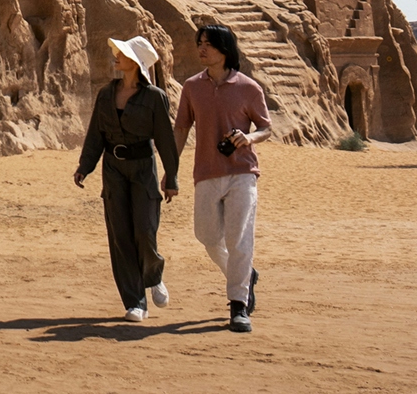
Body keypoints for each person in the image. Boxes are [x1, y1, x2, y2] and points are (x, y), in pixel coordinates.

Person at [72, 35, 179, 322]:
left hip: (143, 168)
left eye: (123, 53)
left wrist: (171, 178)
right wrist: (85, 166)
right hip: (113, 169)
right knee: (120, 235)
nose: (116, 56)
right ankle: (135, 303)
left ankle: (153, 275)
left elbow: (165, 140)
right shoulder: (106, 94)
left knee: (144, 230)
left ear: (137, 62)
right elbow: (95, 133)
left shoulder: (155, 97)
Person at [175, 21, 272, 332]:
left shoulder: (249, 87)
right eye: (200, 43)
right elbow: (181, 128)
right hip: (205, 172)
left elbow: (266, 128)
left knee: (239, 238)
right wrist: (171, 169)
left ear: (225, 49)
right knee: (206, 236)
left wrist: (249, 138)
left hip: (242, 172)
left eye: (208, 44)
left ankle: (238, 306)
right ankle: (245, 275)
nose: (202, 49)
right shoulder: (192, 86)